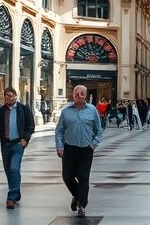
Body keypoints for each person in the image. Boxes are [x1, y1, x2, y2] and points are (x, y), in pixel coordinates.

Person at [56, 84, 103, 218]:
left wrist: (94, 144)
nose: (79, 95)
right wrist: (59, 147)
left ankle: (82, 205)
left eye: (82, 93)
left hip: (85, 150)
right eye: (77, 93)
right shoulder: (66, 112)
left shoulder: (92, 110)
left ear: (86, 96)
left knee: (83, 178)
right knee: (67, 176)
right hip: (69, 149)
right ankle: (77, 195)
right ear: (73, 95)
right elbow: (59, 130)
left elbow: (98, 130)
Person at [0, 86, 35, 209]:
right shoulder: (1, 111)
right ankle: (16, 192)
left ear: (15, 96)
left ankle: (11, 197)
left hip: (17, 143)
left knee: (14, 169)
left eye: (10, 96)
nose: (7, 98)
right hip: (5, 144)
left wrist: (25, 138)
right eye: (6, 96)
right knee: (8, 171)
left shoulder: (23, 109)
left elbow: (30, 125)